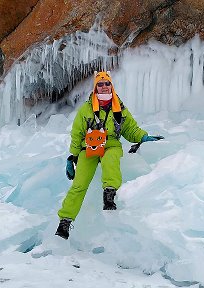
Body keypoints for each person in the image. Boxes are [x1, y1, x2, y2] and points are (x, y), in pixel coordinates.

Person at [55, 71, 161, 239]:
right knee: (79, 184)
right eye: (100, 84)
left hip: (110, 144)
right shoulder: (86, 109)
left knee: (110, 159)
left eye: (107, 84)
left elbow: (130, 129)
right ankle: (65, 222)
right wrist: (73, 156)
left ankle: (109, 195)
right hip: (88, 147)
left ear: (111, 86)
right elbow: (77, 134)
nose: (104, 87)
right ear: (95, 88)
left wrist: (143, 137)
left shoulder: (120, 108)